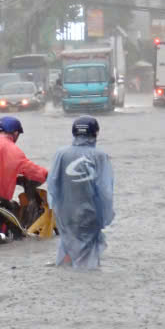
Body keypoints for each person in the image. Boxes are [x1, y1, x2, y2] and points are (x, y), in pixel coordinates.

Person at [46, 116, 115, 270]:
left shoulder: (61, 153)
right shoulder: (99, 156)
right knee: (87, 254)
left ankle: (65, 277)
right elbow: (105, 190)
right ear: (95, 133)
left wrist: (56, 207)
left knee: (68, 245)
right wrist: (106, 215)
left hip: (65, 213)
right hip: (89, 213)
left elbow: (52, 184)